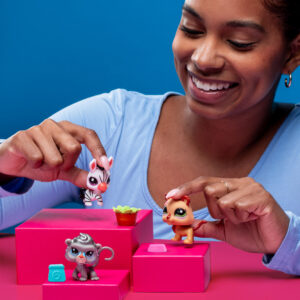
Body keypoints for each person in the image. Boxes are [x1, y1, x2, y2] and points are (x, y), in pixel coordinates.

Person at [0, 0, 300, 275]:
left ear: (292, 54)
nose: (203, 58)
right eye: (191, 30)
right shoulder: (109, 125)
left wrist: (287, 238)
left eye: (239, 42)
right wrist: (3, 169)